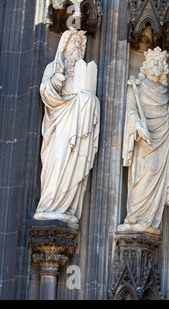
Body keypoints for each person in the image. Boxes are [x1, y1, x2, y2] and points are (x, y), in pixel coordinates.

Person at [34, 28, 100, 224]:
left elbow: (91, 103)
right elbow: (46, 92)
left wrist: (89, 99)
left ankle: (67, 206)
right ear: (64, 46)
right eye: (74, 44)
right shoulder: (54, 68)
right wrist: (55, 82)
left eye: (81, 45)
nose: (78, 48)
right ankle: (51, 205)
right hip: (61, 126)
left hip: (78, 128)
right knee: (59, 158)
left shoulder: (82, 73)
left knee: (73, 164)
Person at [118, 47, 169, 235]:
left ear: (164, 69)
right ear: (146, 66)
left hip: (162, 142)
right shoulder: (137, 87)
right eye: (153, 62)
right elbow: (131, 110)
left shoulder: (166, 92)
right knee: (142, 176)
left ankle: (150, 219)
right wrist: (137, 125)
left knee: (156, 178)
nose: (156, 66)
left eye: (159, 63)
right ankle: (136, 215)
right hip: (144, 142)